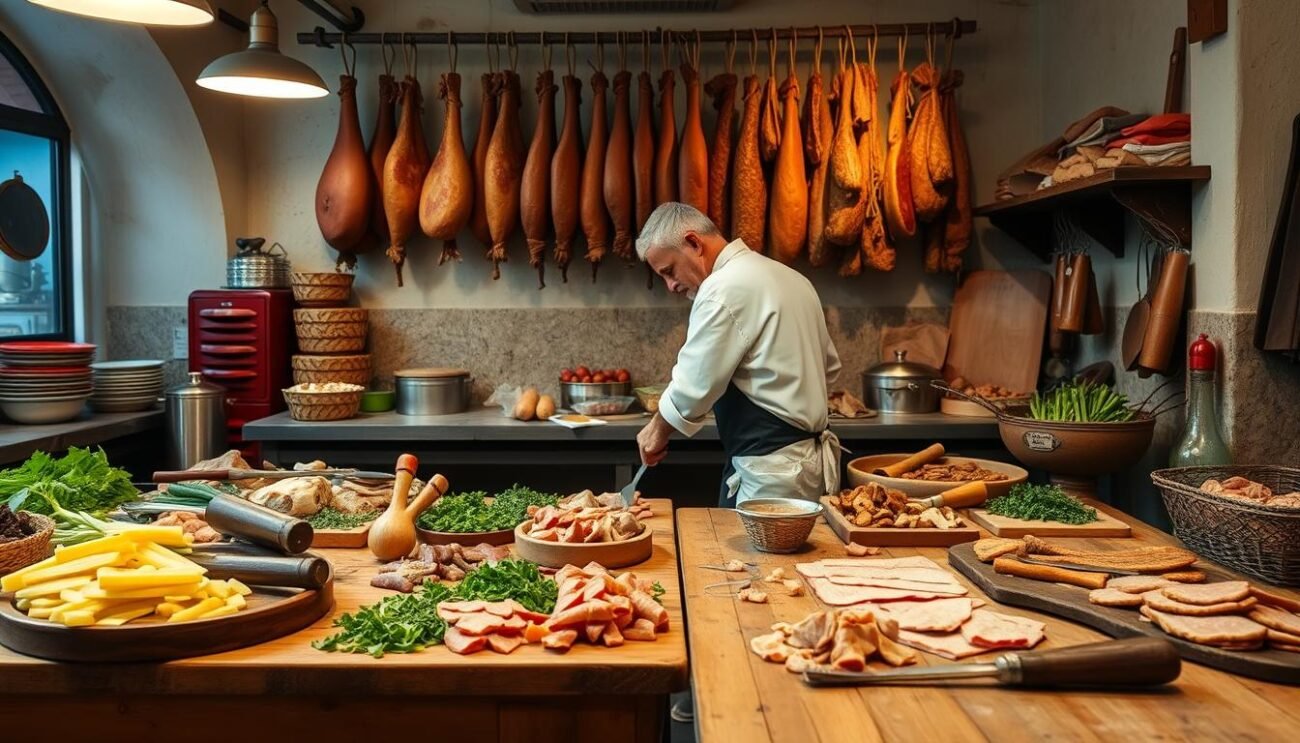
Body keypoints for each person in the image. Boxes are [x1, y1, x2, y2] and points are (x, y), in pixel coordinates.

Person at [634, 202, 842, 506]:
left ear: (693, 243)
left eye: (669, 271)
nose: (671, 285)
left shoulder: (723, 287)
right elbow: (829, 368)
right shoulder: (794, 279)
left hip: (771, 474)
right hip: (808, 467)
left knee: (750, 556)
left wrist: (656, 431)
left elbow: (693, 386)